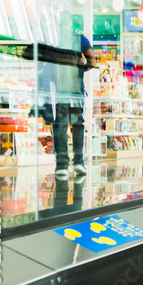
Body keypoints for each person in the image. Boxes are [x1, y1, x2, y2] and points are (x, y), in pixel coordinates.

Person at [37, 28, 95, 178]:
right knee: (78, 125)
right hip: (76, 89)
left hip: (59, 90)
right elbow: (92, 58)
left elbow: (41, 59)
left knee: (60, 125)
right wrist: (82, 68)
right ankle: (79, 162)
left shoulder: (53, 35)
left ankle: (62, 164)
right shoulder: (79, 37)